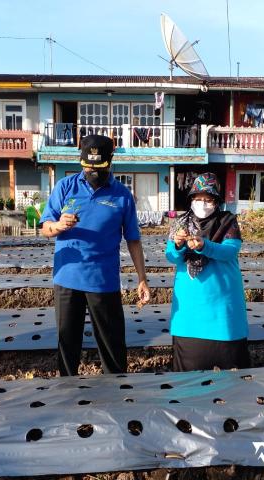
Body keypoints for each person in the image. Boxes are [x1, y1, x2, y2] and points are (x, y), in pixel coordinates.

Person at [41, 134, 151, 376]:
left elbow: (133, 239)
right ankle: (67, 389)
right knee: (67, 341)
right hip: (67, 279)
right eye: (88, 166)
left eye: (98, 166)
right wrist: (58, 226)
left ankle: (115, 389)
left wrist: (142, 278)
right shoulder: (65, 187)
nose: (92, 171)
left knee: (111, 343)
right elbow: (45, 228)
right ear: (81, 162)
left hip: (103, 280)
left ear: (110, 162)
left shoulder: (122, 195)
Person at [166, 172, 250, 372]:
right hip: (188, 313)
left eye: (208, 199)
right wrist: (178, 244)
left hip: (222, 311)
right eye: (197, 198)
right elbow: (171, 255)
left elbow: (229, 251)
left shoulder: (227, 222)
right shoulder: (180, 223)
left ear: (216, 201)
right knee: (188, 381)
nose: (202, 203)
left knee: (232, 380)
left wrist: (205, 245)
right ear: (191, 200)